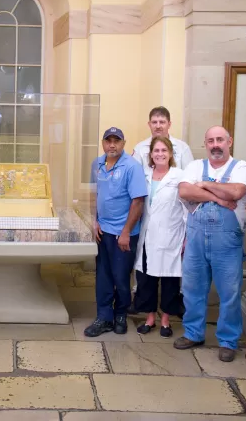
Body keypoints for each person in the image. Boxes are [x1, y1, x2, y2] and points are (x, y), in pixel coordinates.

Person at [174, 126, 246, 362]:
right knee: (192, 288)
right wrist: (217, 196)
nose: (215, 144)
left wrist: (203, 185)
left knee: (229, 291)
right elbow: (184, 191)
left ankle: (229, 340)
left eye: (220, 139)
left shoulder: (242, 168)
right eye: (211, 140)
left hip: (227, 241)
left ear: (229, 141)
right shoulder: (195, 166)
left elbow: (237, 191)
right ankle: (193, 333)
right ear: (205, 143)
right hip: (196, 238)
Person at [84, 127, 146, 337]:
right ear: (103, 143)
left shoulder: (132, 167)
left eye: (116, 141)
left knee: (121, 277)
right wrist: (94, 220)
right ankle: (104, 317)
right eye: (108, 140)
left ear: (123, 143)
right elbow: (94, 194)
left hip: (123, 233)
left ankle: (120, 315)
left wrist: (127, 231)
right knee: (103, 275)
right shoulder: (97, 164)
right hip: (103, 231)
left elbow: (138, 202)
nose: (112, 145)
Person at [133, 137, 187, 338]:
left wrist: (186, 237)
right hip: (148, 235)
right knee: (146, 278)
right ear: (151, 154)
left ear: (171, 154)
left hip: (171, 234)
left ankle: (165, 320)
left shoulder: (179, 176)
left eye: (164, 150)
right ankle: (149, 318)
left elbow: (187, 208)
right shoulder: (145, 175)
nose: (160, 154)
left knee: (169, 279)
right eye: (156, 150)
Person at [132, 106, 194, 172]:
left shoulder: (183, 147)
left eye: (162, 122)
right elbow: (134, 175)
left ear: (169, 124)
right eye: (154, 122)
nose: (158, 126)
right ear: (149, 125)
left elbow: (190, 175)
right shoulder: (139, 148)